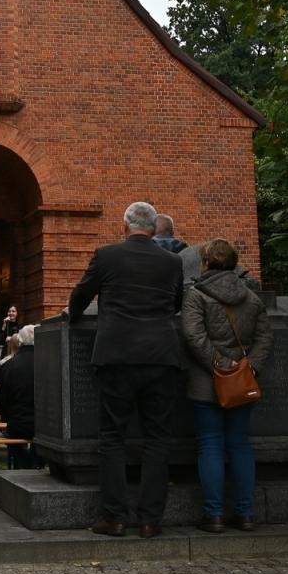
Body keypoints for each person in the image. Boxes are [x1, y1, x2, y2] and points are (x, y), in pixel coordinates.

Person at [69, 200, 185, 539]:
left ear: (125, 225)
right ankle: (150, 520)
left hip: (117, 355)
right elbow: (177, 302)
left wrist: (72, 314)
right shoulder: (172, 261)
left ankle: (114, 517)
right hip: (162, 356)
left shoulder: (107, 256)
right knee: (157, 439)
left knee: (112, 437)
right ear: (153, 227)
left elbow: (82, 294)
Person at [181, 238, 272, 533]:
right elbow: (265, 337)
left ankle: (215, 515)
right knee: (240, 445)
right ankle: (246, 514)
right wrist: (250, 367)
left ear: (206, 263)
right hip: (242, 383)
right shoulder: (251, 298)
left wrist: (220, 364)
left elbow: (194, 336)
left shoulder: (196, 295)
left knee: (210, 444)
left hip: (205, 383)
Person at [0, 324, 39, 469]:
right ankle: (35, 462)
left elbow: (1, 399)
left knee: (12, 440)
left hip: (17, 422)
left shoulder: (8, 366)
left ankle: (27, 464)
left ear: (20, 340)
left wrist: (6, 418)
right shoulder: (49, 362)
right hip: (45, 425)